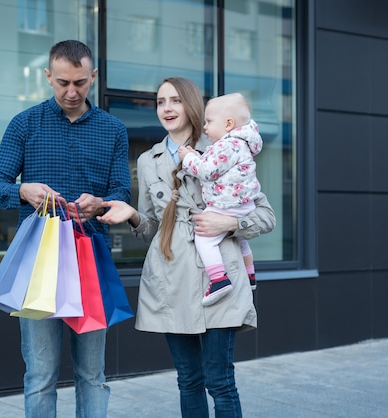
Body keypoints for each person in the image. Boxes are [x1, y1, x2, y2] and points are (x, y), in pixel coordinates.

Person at [97, 77, 275, 417]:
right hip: (171, 280)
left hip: (219, 281)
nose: (167, 108)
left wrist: (231, 223)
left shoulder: (225, 146)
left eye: (175, 100)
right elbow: (151, 228)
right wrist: (132, 215)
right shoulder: (149, 161)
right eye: (161, 101)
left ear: (191, 105)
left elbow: (266, 216)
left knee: (220, 380)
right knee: (188, 379)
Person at [0, 40, 131, 418]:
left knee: (92, 374)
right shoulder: (24, 123)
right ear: (48, 76)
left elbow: (121, 193)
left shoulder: (114, 130)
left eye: (80, 83)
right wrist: (22, 190)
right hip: (38, 265)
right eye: (62, 82)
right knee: (40, 374)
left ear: (93, 77)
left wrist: (100, 204)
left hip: (90, 260)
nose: (71, 91)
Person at [178, 93, 263, 306]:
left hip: (227, 206)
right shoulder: (240, 143)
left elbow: (207, 171)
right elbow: (217, 166)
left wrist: (187, 158)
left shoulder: (228, 145)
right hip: (244, 204)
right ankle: (250, 273)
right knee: (241, 240)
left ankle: (218, 280)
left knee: (205, 239)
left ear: (228, 124)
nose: (205, 126)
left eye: (209, 121)